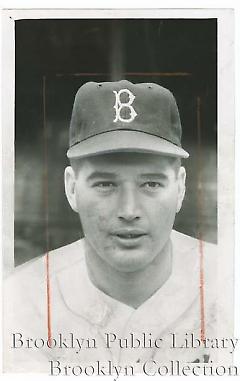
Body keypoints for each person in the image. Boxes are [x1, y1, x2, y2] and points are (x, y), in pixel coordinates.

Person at [4, 80, 230, 374]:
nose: (129, 211)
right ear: (72, 189)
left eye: (151, 183)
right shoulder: (19, 302)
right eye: (105, 184)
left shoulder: (229, 286)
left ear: (181, 187)